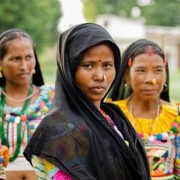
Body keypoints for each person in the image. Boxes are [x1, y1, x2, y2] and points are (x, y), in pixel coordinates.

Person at [23, 23, 150, 180]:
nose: (100, 76)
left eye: (107, 65)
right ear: (69, 69)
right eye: (88, 65)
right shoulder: (55, 131)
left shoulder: (115, 118)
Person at [109, 39, 180, 179]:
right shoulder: (111, 115)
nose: (150, 79)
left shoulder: (176, 117)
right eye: (141, 70)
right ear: (127, 76)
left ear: (165, 76)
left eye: (158, 70)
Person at [0, 29, 54, 176]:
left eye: (29, 57)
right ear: (0, 62)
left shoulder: (52, 99)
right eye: (15, 59)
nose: (24, 66)